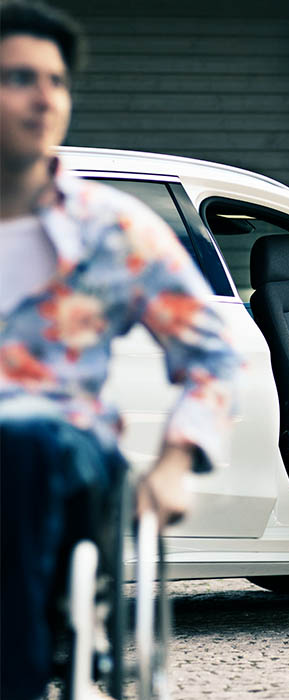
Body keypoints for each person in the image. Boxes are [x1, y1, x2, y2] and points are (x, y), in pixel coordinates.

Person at [0, 2, 240, 697]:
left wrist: (174, 461)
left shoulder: (112, 230)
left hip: (61, 453)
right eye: (19, 77)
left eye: (57, 81)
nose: (45, 97)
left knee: (22, 444)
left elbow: (214, 353)